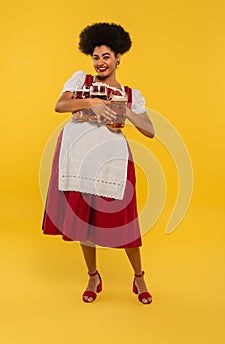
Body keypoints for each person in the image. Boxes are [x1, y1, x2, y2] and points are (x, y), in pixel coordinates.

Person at [42, 22, 155, 304]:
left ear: (118, 58)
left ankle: (138, 276)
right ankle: (93, 275)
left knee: (125, 223)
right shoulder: (81, 82)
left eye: (106, 56)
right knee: (84, 223)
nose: (100, 62)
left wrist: (126, 110)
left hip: (111, 160)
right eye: (95, 56)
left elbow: (150, 131)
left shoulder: (130, 94)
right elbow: (60, 105)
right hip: (78, 156)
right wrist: (90, 101)